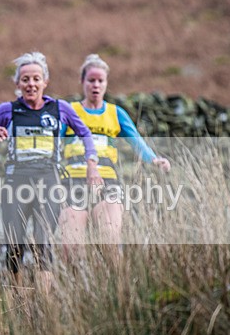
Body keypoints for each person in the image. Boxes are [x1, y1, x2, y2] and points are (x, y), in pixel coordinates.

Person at [0, 52, 101, 292]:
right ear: (17, 84)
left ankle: (45, 304)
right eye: (25, 79)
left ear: (45, 82)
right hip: (16, 183)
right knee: (15, 245)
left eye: (36, 79)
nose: (31, 84)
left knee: (43, 242)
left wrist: (92, 162)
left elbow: (85, 133)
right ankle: (18, 300)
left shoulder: (60, 109)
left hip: (48, 180)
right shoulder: (7, 110)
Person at [59, 54, 170, 250]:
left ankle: (119, 280)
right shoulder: (69, 111)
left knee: (109, 243)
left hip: (108, 182)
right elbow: (52, 143)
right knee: (72, 250)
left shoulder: (115, 113)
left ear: (106, 83)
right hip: (72, 182)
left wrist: (153, 159)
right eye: (91, 80)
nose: (96, 85)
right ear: (82, 81)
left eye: (100, 81)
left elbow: (136, 141)